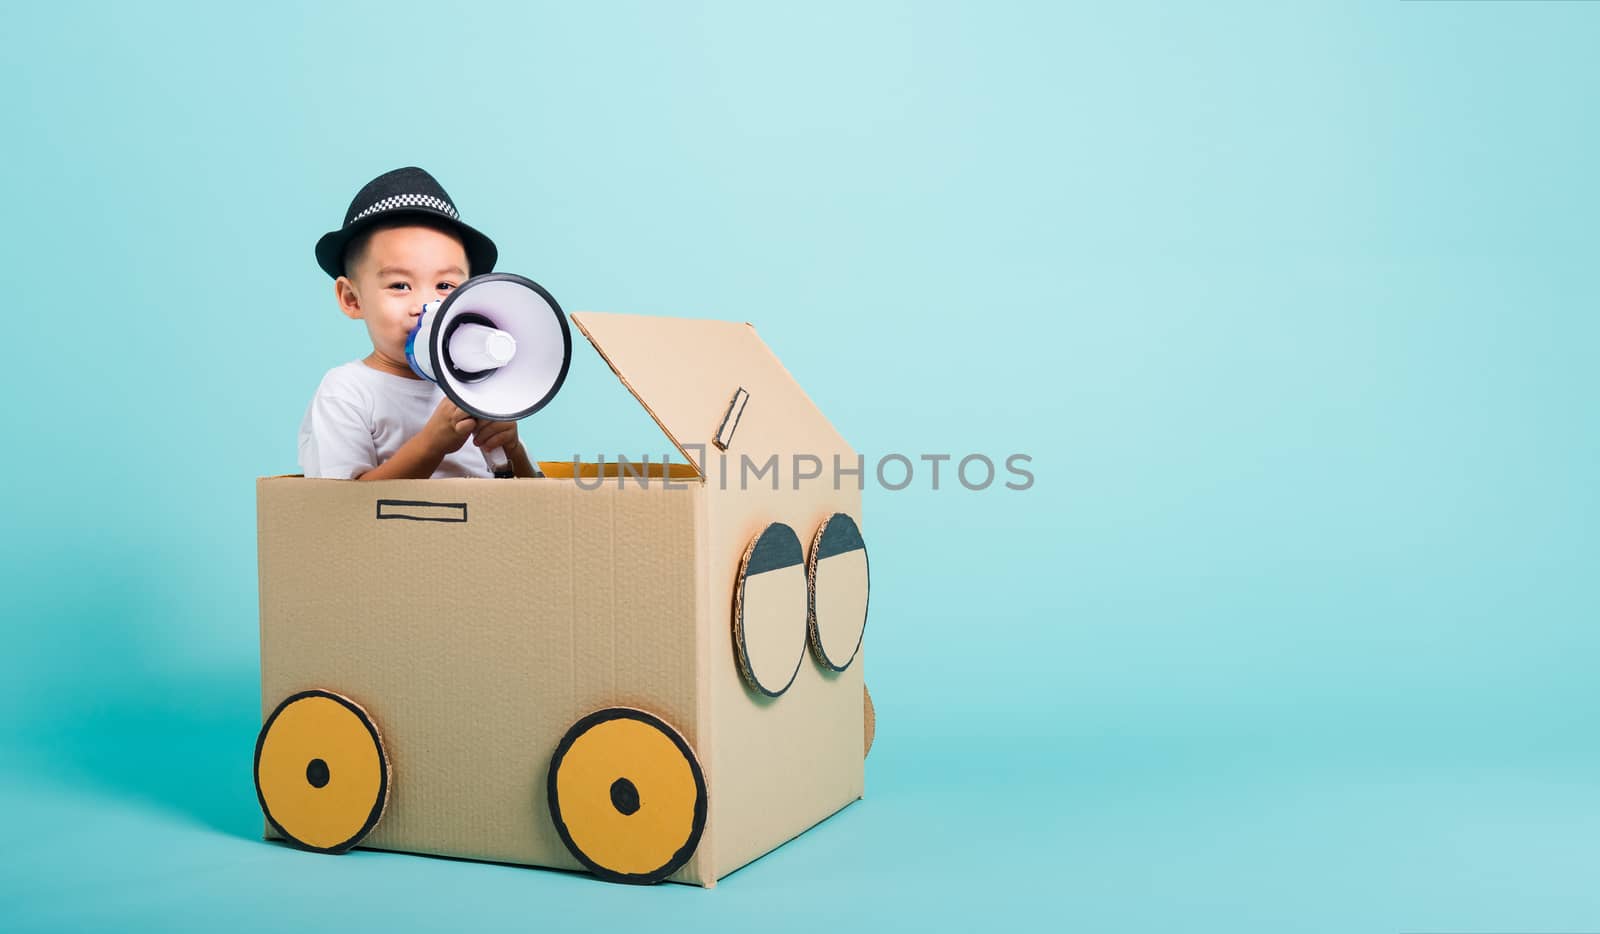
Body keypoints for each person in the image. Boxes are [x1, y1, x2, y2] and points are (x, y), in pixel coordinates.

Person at [299, 167, 538, 479]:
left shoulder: (480, 386)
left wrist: (512, 448)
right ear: (352, 299)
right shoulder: (347, 392)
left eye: (445, 287)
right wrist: (431, 445)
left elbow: (533, 500)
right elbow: (345, 510)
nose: (427, 307)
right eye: (400, 286)